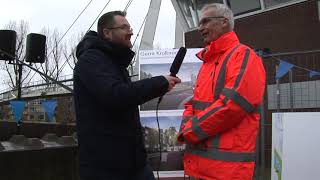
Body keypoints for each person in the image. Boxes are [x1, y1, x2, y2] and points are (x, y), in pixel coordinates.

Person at [73, 11, 181, 180]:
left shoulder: (114, 62)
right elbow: (116, 94)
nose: (131, 32)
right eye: (124, 27)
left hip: (133, 163)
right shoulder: (91, 60)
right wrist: (160, 83)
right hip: (106, 168)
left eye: (129, 27)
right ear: (107, 33)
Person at [177, 3, 266, 180]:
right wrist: (187, 127)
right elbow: (194, 103)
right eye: (199, 23)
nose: (200, 28)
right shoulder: (208, 62)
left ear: (224, 22)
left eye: (205, 22)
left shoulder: (243, 56)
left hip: (227, 171)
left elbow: (232, 106)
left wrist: (190, 131)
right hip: (201, 165)